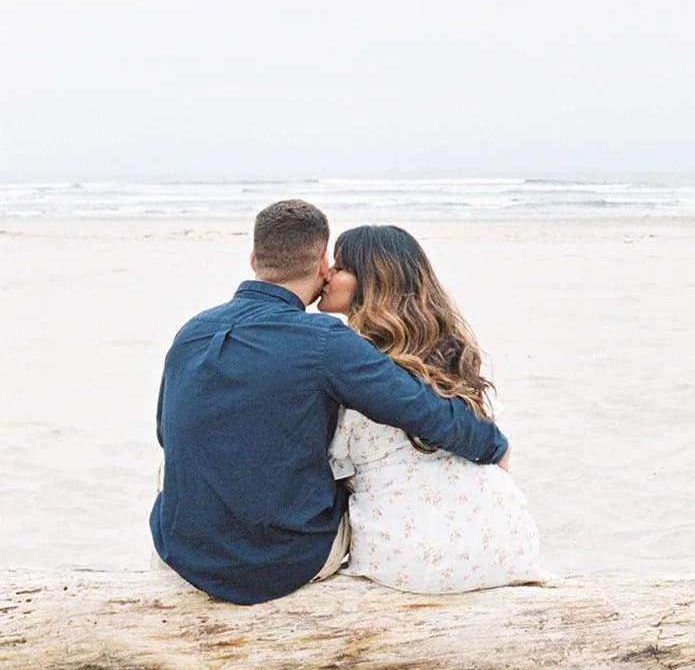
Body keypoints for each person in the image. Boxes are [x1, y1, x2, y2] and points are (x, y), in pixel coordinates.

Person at [151, 199, 509, 604]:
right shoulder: (324, 340)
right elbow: (423, 412)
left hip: (181, 553)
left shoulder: (191, 333)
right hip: (283, 563)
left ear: (253, 258)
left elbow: (166, 433)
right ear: (323, 265)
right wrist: (494, 445)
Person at [318, 224, 540, 593]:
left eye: (340, 268)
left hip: (409, 562)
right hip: (508, 543)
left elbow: (334, 465)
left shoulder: (352, 368)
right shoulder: (451, 353)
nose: (327, 274)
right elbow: (500, 456)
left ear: (372, 282)